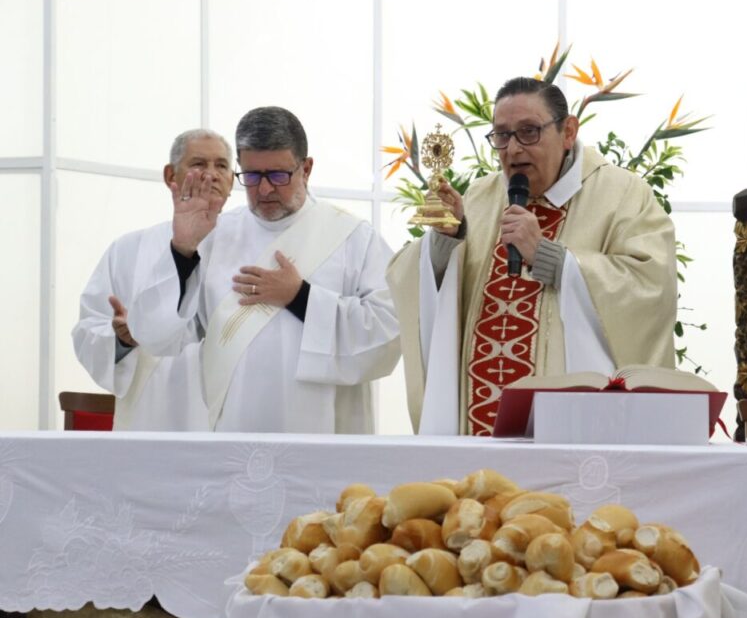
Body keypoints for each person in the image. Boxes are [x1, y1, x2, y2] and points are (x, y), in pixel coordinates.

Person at [387, 77, 677, 436]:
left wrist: (552, 258)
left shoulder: (623, 194)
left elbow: (651, 287)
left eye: (529, 132)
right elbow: (422, 291)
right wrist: (447, 240)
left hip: (572, 426)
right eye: (502, 136)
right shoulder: (480, 196)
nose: (513, 149)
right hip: (478, 416)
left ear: (568, 131)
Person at [129, 107, 400, 434]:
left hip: (321, 433)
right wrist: (183, 250)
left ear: (307, 168)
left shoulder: (352, 237)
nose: (265, 189)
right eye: (253, 176)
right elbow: (158, 337)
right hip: (231, 428)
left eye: (278, 175)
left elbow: (388, 332)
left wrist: (300, 297)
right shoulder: (213, 235)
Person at [71, 129, 232, 431]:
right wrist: (121, 340)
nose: (211, 175)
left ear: (233, 180)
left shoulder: (250, 247)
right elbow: (87, 330)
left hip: (234, 417)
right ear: (171, 175)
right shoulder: (130, 249)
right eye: (199, 164)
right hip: (154, 414)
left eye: (222, 166)